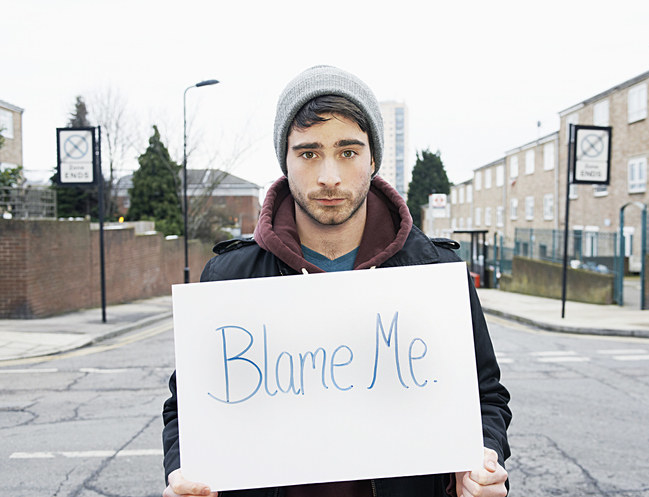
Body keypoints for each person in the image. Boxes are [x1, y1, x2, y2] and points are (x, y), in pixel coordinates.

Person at [162, 65, 511, 497]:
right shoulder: (229, 279)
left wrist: (484, 462)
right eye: (309, 153)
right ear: (285, 161)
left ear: (373, 159)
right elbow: (187, 410)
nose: (329, 176)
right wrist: (183, 472)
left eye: (348, 152)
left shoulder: (435, 273)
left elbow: (486, 398)